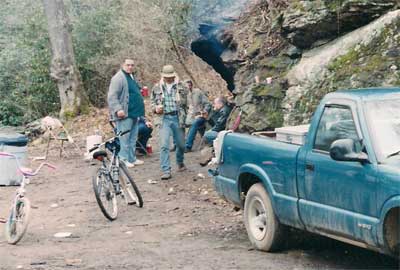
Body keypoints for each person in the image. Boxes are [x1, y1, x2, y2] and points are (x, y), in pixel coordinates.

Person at [151, 65, 188, 180]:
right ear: (163, 76)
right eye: (166, 77)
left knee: (181, 145)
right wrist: (155, 108)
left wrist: (187, 116)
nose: (169, 79)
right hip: (163, 118)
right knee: (164, 145)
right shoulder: (157, 88)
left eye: (170, 76)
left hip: (177, 117)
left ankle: (180, 161)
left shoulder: (181, 86)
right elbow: (152, 103)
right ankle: (166, 170)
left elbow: (187, 103)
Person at [107, 58, 145, 168]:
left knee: (133, 137)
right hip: (125, 113)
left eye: (132, 65)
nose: (130, 67)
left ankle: (131, 158)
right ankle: (123, 159)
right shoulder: (118, 78)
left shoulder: (131, 76)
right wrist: (118, 109)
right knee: (124, 137)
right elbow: (112, 96)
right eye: (128, 65)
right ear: (123, 65)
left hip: (134, 112)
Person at [184, 79, 211, 152]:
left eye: (189, 86)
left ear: (191, 86)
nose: (187, 88)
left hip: (200, 115)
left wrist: (204, 112)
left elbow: (208, 104)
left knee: (195, 123)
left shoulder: (198, 92)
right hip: (190, 116)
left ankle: (188, 146)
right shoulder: (185, 95)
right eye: (186, 87)